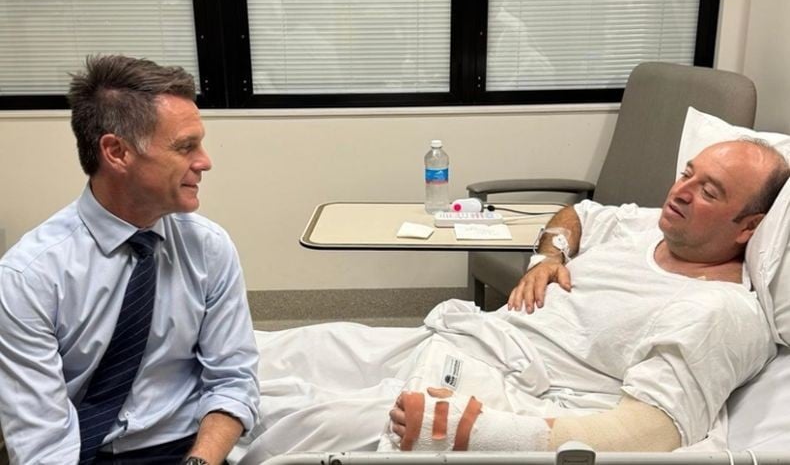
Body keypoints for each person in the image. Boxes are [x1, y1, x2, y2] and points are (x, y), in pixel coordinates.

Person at [234, 139, 789, 462]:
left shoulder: (722, 313)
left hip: (488, 391)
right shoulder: (646, 226)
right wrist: (550, 256)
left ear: (750, 227)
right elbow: (575, 214)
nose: (680, 193)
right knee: (277, 350)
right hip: (459, 339)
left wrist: (473, 432)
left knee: (292, 423)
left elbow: (650, 433)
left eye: (708, 191)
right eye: (687, 174)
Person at [0, 55, 259, 465]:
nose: (205, 161)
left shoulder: (208, 247)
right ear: (117, 152)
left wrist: (200, 460)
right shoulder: (28, 278)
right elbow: (41, 443)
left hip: (192, 449)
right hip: (82, 452)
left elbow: (232, 380)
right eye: (185, 146)